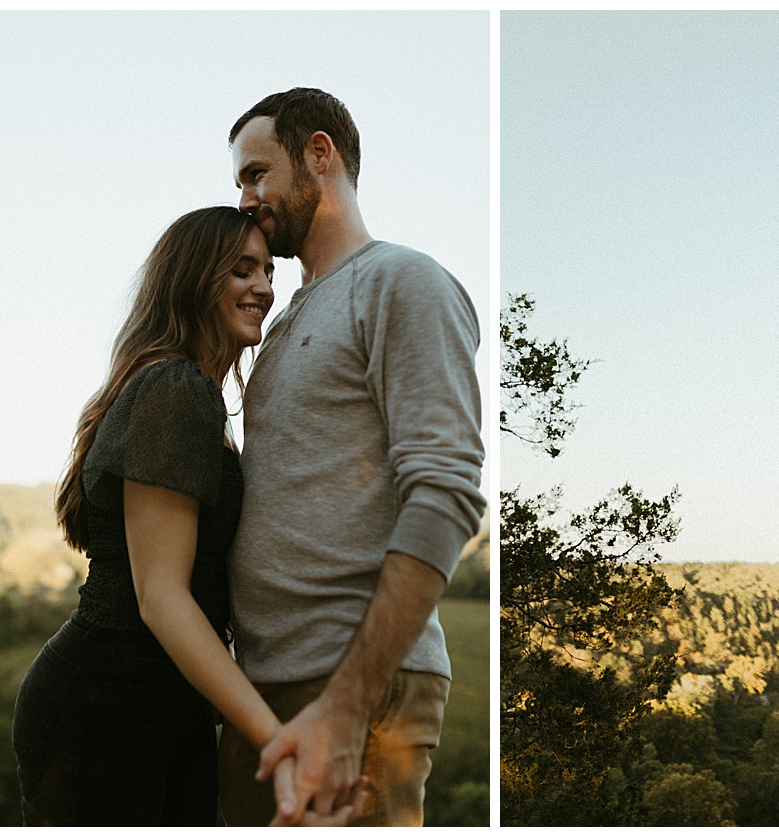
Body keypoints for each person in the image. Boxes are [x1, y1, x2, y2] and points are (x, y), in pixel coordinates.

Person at [13, 207, 360, 826]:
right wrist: (276, 739)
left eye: (267, 271)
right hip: (107, 707)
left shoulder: (185, 393)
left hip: (165, 705)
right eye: (241, 270)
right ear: (194, 280)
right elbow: (162, 598)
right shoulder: (174, 389)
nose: (263, 287)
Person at [216, 87, 487, 827]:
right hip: (268, 691)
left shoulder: (403, 281)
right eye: (240, 180)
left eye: (255, 172)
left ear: (320, 154)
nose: (244, 198)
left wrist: (347, 702)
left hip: (356, 692)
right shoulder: (288, 318)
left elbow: (446, 494)